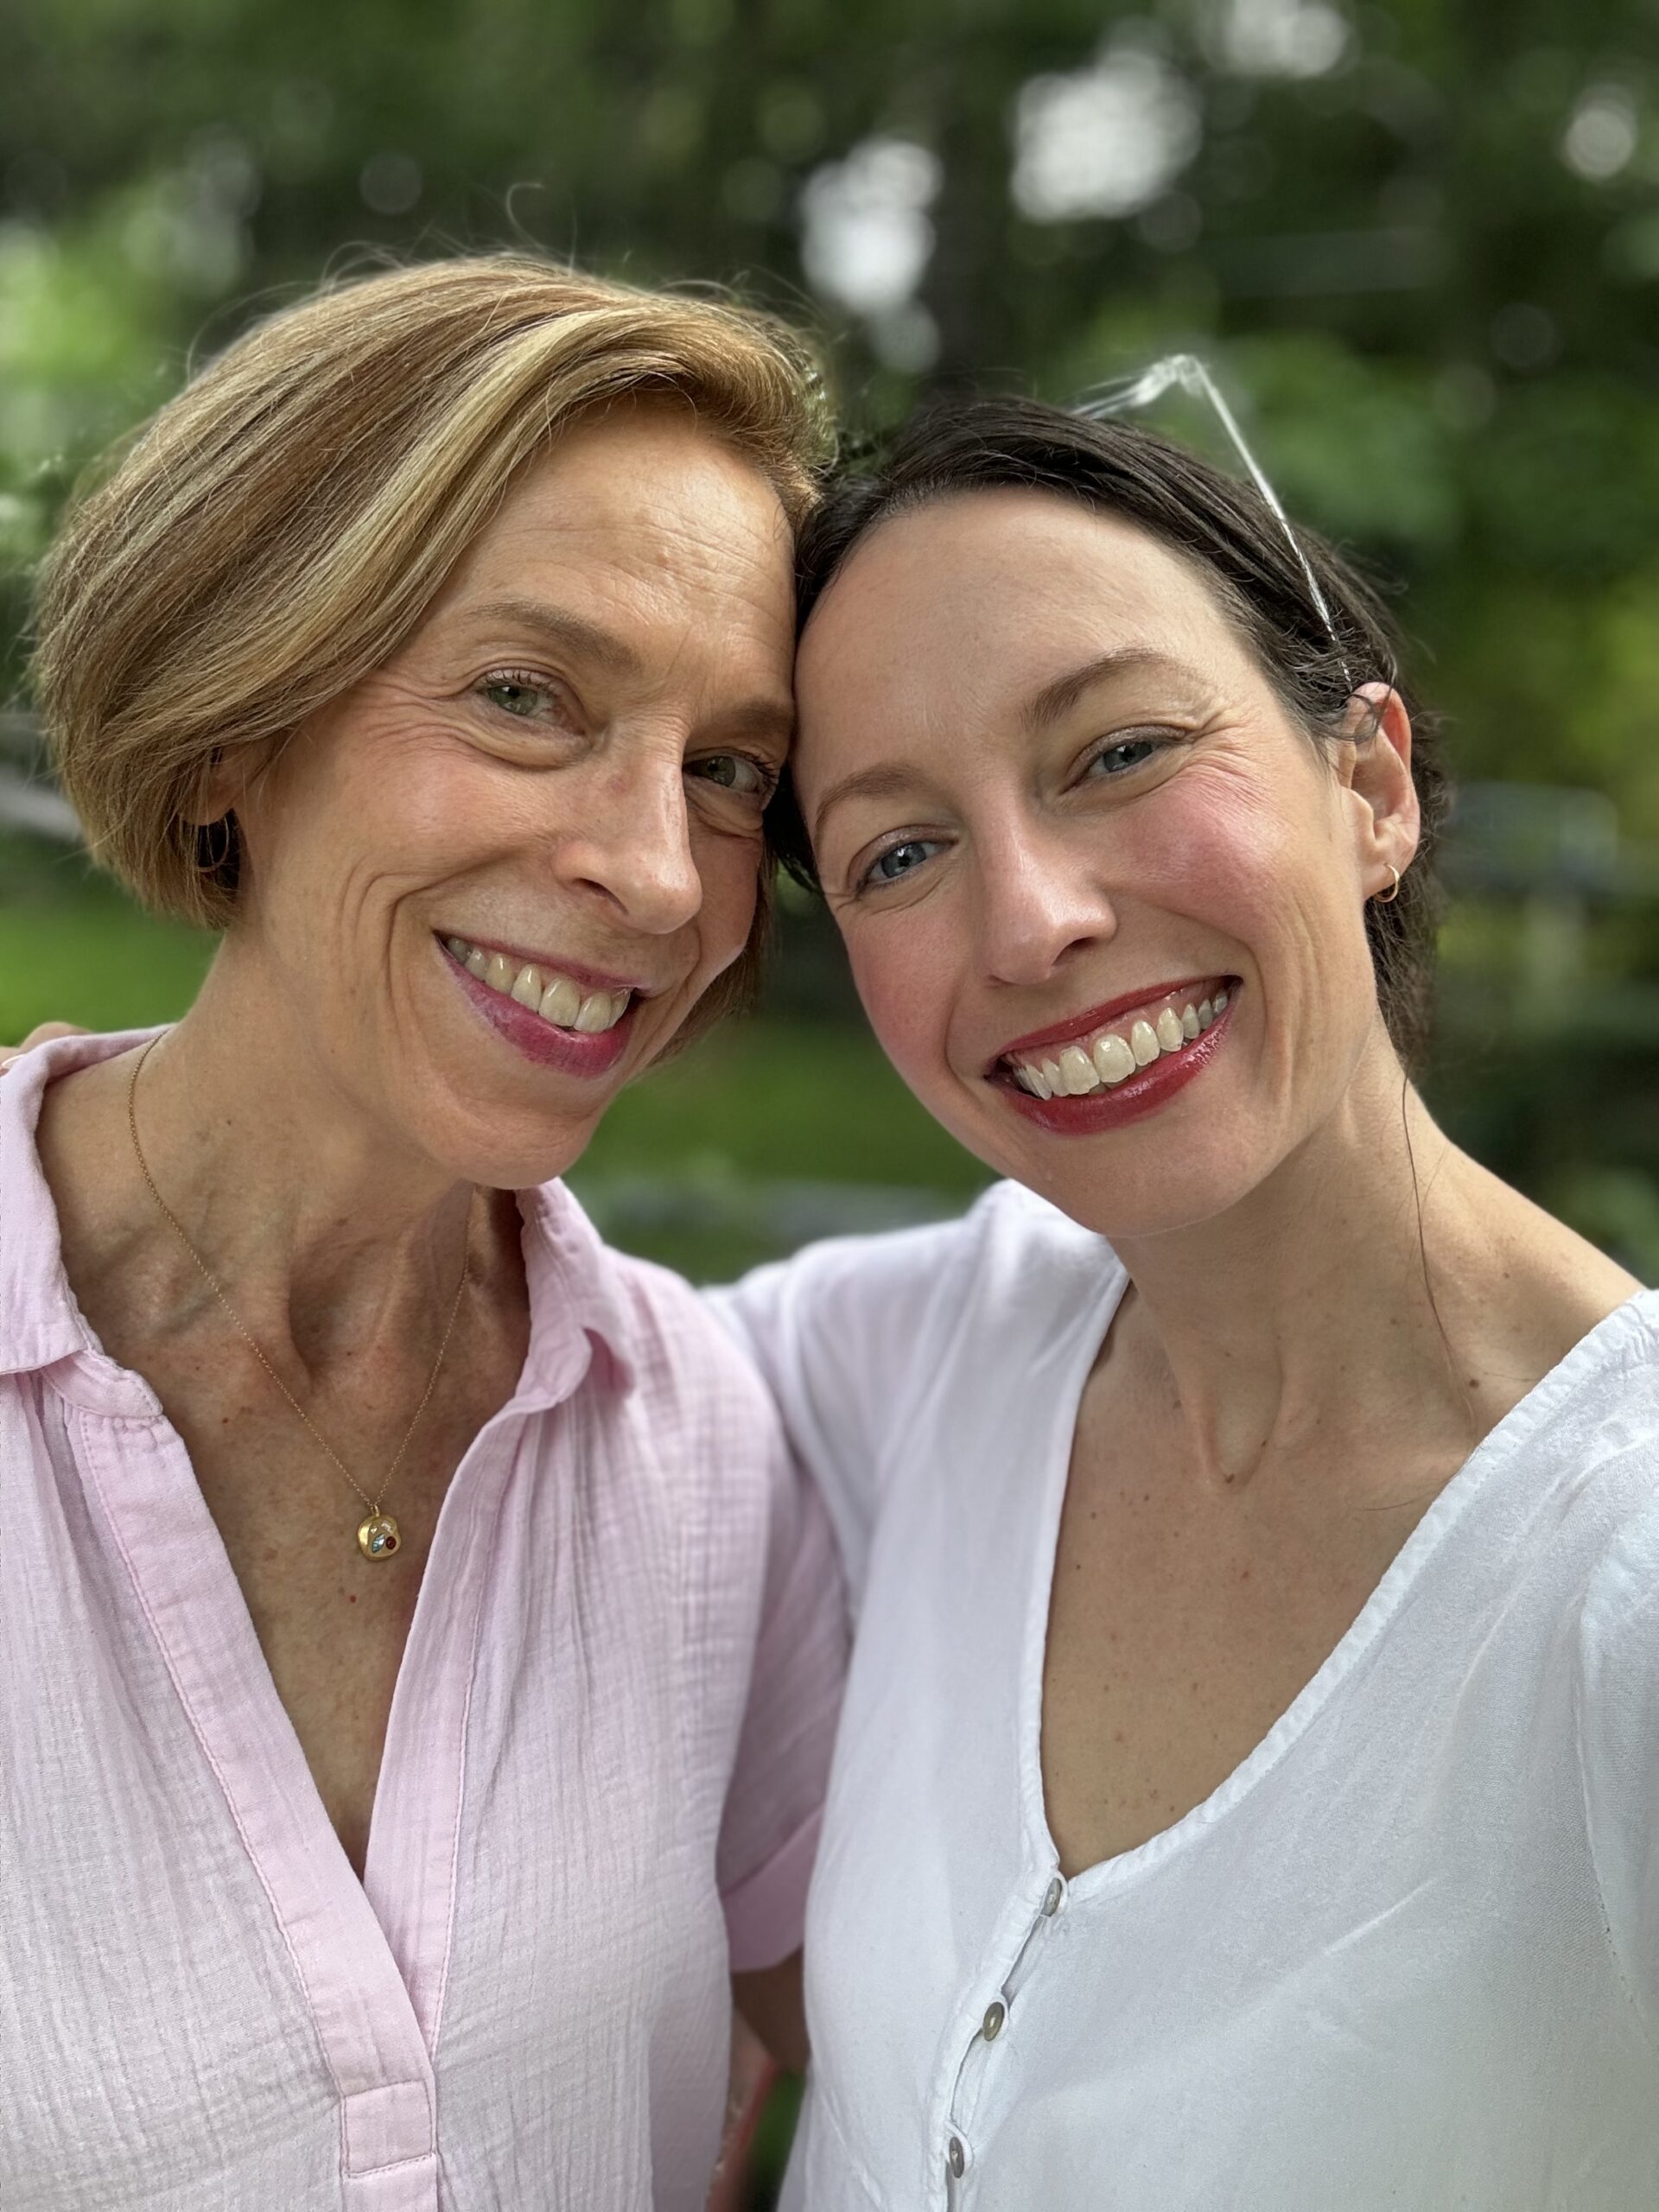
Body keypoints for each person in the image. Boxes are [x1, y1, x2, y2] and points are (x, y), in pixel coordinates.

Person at [711, 397, 1659, 2209]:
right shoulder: (925, 1357)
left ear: (1369, 784)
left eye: (1120, 748)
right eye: (898, 852)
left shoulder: (1619, 1582)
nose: (1031, 918)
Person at [0, 255, 848, 2211]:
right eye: (528, 696)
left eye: (730, 768)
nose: (655, 871)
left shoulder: (695, 1431)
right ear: (235, 723)